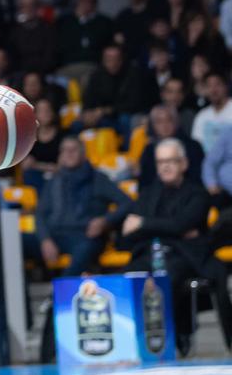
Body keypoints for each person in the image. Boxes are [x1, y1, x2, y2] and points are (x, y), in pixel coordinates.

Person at [118, 138, 232, 354]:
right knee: (126, 278)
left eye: (171, 161)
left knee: (167, 279)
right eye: (161, 162)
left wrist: (145, 224)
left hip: (185, 257)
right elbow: (131, 232)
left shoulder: (197, 193)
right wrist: (170, 228)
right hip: (149, 254)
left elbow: (181, 224)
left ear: (183, 164)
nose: (165, 166)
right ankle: (128, 342)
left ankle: (172, 339)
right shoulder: (148, 194)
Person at [29, 137, 132, 276]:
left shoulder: (98, 179)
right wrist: (45, 239)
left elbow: (127, 203)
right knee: (15, 241)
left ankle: (61, 289)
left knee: (85, 249)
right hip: (55, 235)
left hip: (85, 235)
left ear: (83, 154)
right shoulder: (54, 180)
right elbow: (40, 213)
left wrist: (105, 220)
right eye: (65, 150)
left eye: (73, 150)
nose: (69, 154)